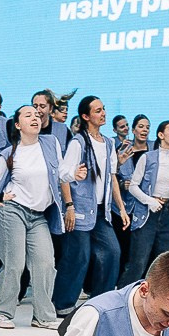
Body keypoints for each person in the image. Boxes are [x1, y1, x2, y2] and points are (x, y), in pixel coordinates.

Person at [0, 103, 66, 329]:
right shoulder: (9, 153)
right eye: (28, 115)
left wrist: (74, 174)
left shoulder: (50, 143)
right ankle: (2, 312)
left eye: (37, 114)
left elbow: (62, 173)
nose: (35, 117)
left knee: (45, 263)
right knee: (14, 264)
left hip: (39, 215)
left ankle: (43, 317)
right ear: (17, 124)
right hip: (12, 210)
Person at [60, 96, 119, 305]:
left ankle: (101, 302)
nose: (103, 114)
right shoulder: (79, 142)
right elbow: (63, 175)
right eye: (97, 111)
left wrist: (121, 208)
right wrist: (69, 207)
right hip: (81, 208)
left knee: (112, 251)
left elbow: (112, 177)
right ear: (85, 116)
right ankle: (62, 304)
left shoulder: (110, 144)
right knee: (79, 256)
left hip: (102, 210)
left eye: (103, 109)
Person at [120, 118, 169, 283]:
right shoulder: (148, 157)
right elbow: (133, 186)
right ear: (161, 134)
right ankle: (123, 297)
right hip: (146, 212)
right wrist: (150, 201)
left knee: (167, 262)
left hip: (168, 214)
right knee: (138, 262)